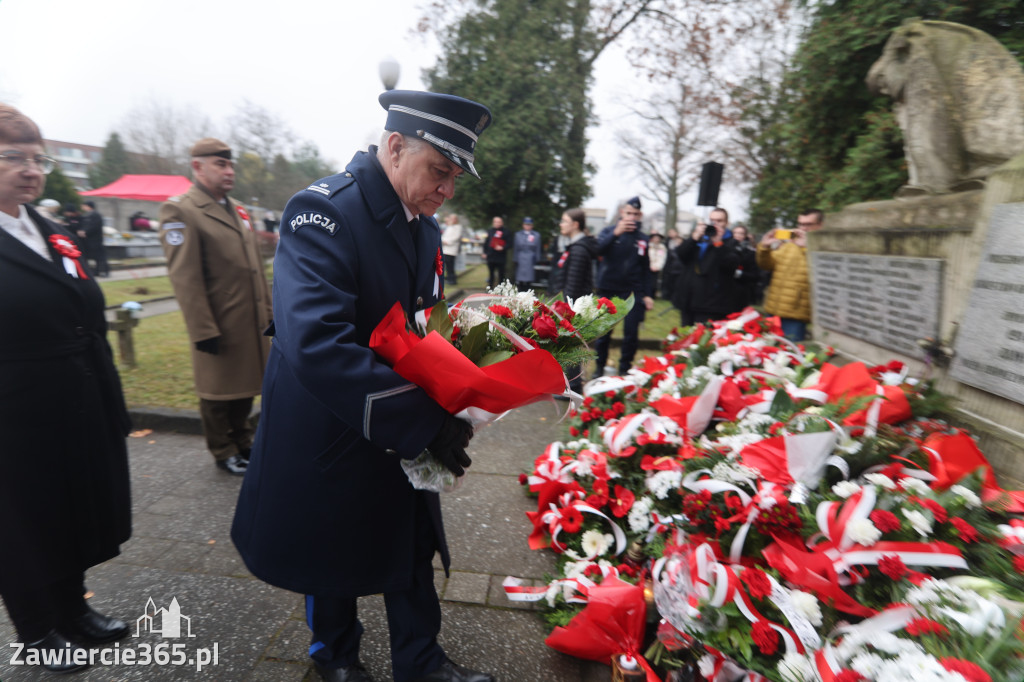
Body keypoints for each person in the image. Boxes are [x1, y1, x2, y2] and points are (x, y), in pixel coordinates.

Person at [231, 90, 496, 682]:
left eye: (455, 177)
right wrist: (426, 422)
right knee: (330, 546)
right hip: (337, 417)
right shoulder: (322, 211)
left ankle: (420, 658)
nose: (446, 190)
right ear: (395, 148)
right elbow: (317, 343)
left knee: (410, 539)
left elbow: (417, 319)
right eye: (440, 171)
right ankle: (335, 654)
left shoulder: (423, 227)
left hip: (396, 410)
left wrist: (473, 362)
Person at [0, 103, 132, 674]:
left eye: (37, 158)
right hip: (14, 410)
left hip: (78, 397)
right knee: (24, 523)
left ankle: (73, 610)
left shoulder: (51, 230)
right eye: (13, 158)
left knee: (73, 509)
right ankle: (36, 629)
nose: (31, 169)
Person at [158, 138, 272, 476]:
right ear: (197, 166)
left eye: (230, 165)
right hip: (219, 319)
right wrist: (203, 329)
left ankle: (243, 440)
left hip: (248, 318)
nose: (229, 171)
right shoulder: (181, 210)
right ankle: (223, 449)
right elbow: (185, 277)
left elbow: (255, 267)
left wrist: (268, 313)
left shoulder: (237, 208)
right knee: (218, 390)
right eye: (220, 165)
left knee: (246, 385)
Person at [593, 196, 655, 377]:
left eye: (636, 214)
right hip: (608, 289)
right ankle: (599, 368)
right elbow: (597, 250)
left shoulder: (643, 238)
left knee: (631, 335)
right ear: (622, 213)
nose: (632, 217)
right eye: (629, 213)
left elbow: (646, 268)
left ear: (640, 215)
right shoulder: (608, 231)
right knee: (603, 334)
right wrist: (616, 234)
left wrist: (648, 294)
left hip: (632, 292)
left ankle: (624, 369)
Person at [757, 208, 825, 341]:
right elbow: (766, 265)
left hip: (795, 314)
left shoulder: (824, 246)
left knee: (790, 355)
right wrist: (764, 248)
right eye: (800, 224)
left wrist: (808, 247)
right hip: (773, 309)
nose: (803, 228)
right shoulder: (789, 245)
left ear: (820, 225)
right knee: (765, 351)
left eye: (808, 224)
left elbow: (824, 272)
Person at [549, 207, 597, 393]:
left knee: (570, 344)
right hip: (570, 303)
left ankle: (573, 386)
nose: (561, 224)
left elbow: (574, 284)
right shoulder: (575, 247)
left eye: (564, 221)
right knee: (569, 344)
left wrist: (565, 310)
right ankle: (569, 384)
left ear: (575, 225)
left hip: (572, 304)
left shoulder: (579, 250)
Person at [725, 224, 759, 313]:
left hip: (740, 292)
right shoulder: (725, 249)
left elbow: (755, 275)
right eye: (735, 233)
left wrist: (738, 273)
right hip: (724, 291)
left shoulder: (750, 253)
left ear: (745, 236)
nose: (737, 236)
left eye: (741, 233)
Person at [79, 199, 110, 276]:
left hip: (96, 239)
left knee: (100, 257)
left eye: (84, 206)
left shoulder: (95, 215)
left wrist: (85, 231)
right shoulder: (87, 215)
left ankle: (104, 271)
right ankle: (96, 271)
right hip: (89, 239)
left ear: (89, 206)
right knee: (95, 257)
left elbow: (94, 226)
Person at [512, 216, 542, 290]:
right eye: (526, 224)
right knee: (520, 277)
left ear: (532, 225)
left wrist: (537, 258)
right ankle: (520, 290)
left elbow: (538, 247)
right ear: (523, 225)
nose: (527, 226)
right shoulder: (518, 235)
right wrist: (515, 258)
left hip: (530, 257)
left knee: (529, 276)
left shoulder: (536, 235)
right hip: (521, 257)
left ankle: (528, 289)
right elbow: (516, 248)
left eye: (529, 224)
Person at [483, 215, 507, 288]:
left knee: (501, 274)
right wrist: (485, 252)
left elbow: (509, 243)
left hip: (500, 257)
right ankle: (490, 288)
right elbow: (486, 242)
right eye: (495, 222)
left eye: (498, 222)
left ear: (502, 223)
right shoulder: (490, 231)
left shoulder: (506, 232)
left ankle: (501, 290)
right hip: (491, 256)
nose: (497, 223)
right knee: (491, 274)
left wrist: (502, 247)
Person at [660, 227, 684, 300]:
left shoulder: (682, 243)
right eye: (669, 232)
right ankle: (666, 295)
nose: (670, 234)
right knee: (667, 282)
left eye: (672, 232)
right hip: (668, 265)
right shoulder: (666, 242)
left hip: (678, 267)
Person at [440, 212, 463, 285]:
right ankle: (449, 278)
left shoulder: (458, 227)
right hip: (446, 249)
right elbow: (444, 235)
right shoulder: (449, 226)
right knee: (447, 265)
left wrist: (447, 242)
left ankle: (452, 280)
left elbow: (456, 237)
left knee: (450, 265)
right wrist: (442, 240)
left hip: (451, 249)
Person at [647, 232, 667, 297]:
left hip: (657, 268)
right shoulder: (649, 246)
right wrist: (650, 266)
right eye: (655, 238)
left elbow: (662, 258)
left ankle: (653, 295)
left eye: (658, 238)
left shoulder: (662, 247)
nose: (656, 239)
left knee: (655, 283)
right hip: (648, 267)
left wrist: (658, 267)